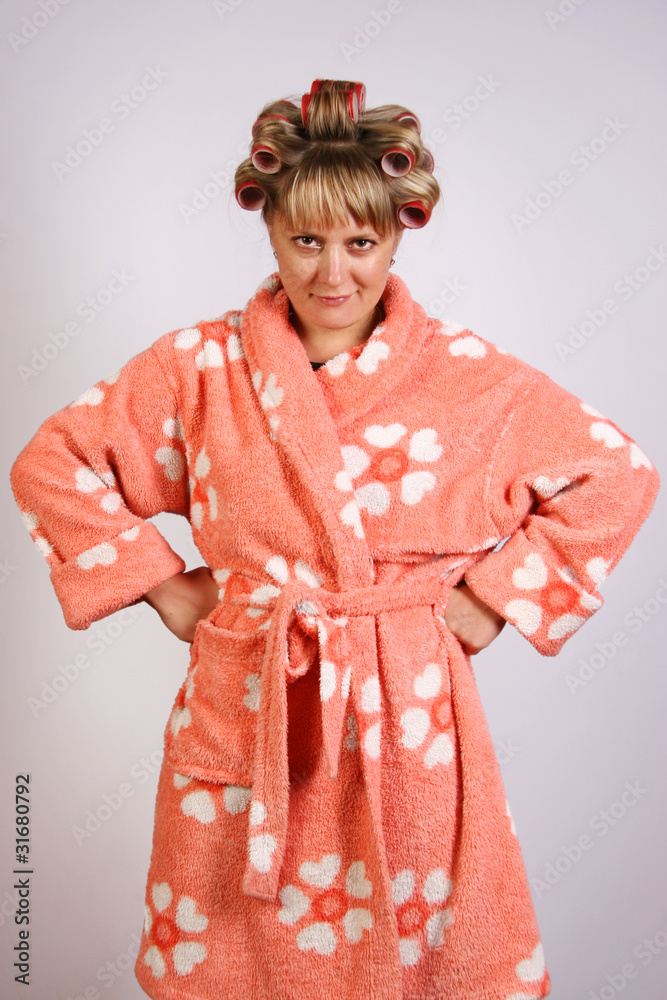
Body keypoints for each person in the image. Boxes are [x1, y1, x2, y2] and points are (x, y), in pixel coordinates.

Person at [10, 79, 659, 1000]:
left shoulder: (465, 377)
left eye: (361, 243)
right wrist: (160, 583)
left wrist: (496, 598)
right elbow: (53, 463)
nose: (332, 273)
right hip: (251, 698)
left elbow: (615, 472)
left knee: (415, 948)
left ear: (397, 235)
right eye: (305, 240)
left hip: (407, 716)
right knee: (233, 955)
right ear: (269, 229)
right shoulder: (199, 367)